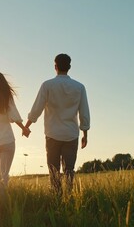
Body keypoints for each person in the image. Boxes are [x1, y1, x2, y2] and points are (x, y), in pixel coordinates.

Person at [25, 53, 90, 195]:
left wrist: (27, 126)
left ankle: (56, 197)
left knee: (53, 169)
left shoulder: (47, 85)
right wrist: (85, 133)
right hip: (71, 134)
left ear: (55, 66)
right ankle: (69, 196)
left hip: (52, 134)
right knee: (69, 170)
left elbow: (37, 108)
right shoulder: (79, 87)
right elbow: (84, 111)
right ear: (70, 67)